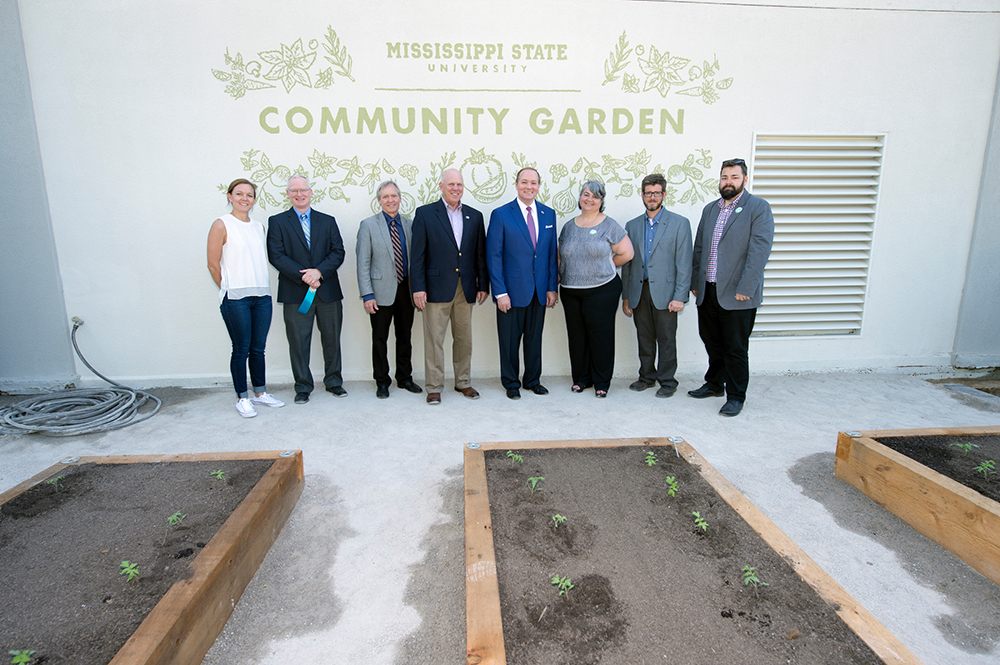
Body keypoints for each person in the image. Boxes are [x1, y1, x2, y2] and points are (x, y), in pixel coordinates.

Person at [690, 158, 774, 417]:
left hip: (737, 293)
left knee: (735, 348)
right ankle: (715, 383)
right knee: (712, 340)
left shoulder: (758, 208)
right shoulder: (710, 209)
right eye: (725, 177)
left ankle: (736, 396)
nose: (728, 182)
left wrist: (747, 287)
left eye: (734, 177)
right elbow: (700, 248)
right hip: (709, 289)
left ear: (744, 180)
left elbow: (759, 251)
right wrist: (695, 282)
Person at [410, 169, 489, 405]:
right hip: (435, 288)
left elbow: (479, 254)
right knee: (434, 339)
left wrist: (482, 284)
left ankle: (463, 382)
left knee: (464, 338)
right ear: (441, 185)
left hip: (466, 287)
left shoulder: (474, 216)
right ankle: (434, 386)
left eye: (460, 185)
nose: (456, 188)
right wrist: (418, 288)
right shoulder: (425, 214)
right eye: (451, 184)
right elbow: (417, 256)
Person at [206, 179, 284, 418]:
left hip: (261, 296)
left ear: (254, 199)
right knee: (241, 349)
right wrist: (229, 290)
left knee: (258, 348)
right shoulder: (221, 224)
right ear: (230, 196)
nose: (244, 198)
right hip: (236, 298)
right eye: (239, 194)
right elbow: (212, 264)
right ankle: (242, 397)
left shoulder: (259, 227)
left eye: (249, 195)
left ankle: (260, 394)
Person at [267, 175, 347, 405]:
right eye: (294, 191)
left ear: (311, 192)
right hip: (295, 293)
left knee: (332, 339)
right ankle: (302, 386)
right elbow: (277, 256)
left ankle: (334, 382)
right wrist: (305, 276)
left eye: (303, 190)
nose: (299, 194)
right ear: (288, 194)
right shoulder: (278, 222)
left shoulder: (328, 220)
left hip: (327, 291)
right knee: (298, 341)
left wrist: (318, 272)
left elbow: (338, 251)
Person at [486, 167, 558, 400]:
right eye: (524, 182)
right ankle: (511, 382)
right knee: (509, 341)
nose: (529, 187)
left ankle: (532, 380)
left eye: (534, 183)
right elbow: (494, 256)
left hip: (539, 290)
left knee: (534, 338)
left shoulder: (548, 215)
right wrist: (500, 292)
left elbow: (549, 254)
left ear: (539, 186)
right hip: (511, 291)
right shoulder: (501, 214)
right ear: (516, 184)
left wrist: (551, 287)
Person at [558, 180, 634, 397]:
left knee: (600, 336)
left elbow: (627, 253)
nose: (590, 199)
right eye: (586, 194)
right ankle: (581, 379)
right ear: (580, 197)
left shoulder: (609, 225)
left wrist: (606, 266)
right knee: (577, 337)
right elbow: (560, 255)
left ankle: (602, 381)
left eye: (596, 196)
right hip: (571, 290)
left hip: (602, 289)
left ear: (601, 201)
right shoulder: (569, 226)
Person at [621, 173, 692, 398]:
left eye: (657, 193)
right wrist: (626, 296)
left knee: (666, 338)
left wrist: (680, 296)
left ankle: (668, 381)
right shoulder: (631, 226)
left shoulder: (680, 223)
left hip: (667, 293)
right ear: (642, 195)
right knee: (644, 337)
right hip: (639, 292)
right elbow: (628, 264)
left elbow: (684, 262)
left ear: (664, 194)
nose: (652, 197)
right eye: (648, 193)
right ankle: (646, 377)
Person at [356, 180, 422, 399]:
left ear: (400, 198)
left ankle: (404, 378)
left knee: (405, 337)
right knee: (380, 338)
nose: (390, 200)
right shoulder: (368, 225)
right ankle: (382, 381)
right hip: (379, 291)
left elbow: (417, 258)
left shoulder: (410, 224)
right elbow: (363, 263)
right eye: (385, 197)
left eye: (394, 196)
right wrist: (367, 294)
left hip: (406, 289)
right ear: (379, 201)